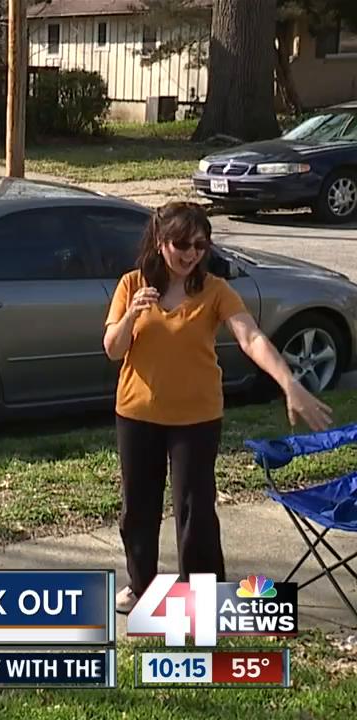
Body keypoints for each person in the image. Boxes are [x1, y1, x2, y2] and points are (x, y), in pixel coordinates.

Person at [103, 202, 333, 614]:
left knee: (195, 512)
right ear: (160, 243)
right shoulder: (131, 285)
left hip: (196, 417)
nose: (190, 254)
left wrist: (289, 383)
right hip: (137, 414)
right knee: (138, 509)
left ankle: (202, 597)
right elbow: (113, 350)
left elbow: (252, 338)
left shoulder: (214, 290)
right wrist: (132, 314)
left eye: (199, 245)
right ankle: (142, 586)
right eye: (180, 244)